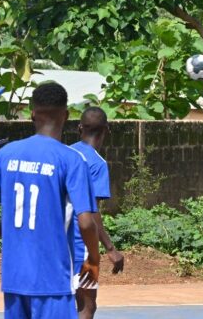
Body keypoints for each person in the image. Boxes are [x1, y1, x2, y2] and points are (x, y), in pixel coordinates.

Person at [0, 82, 101, 318]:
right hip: (52, 277)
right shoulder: (71, 160)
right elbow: (85, 222)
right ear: (66, 115)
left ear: (32, 113)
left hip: (14, 276)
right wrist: (94, 259)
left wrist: (10, 234)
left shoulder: (7, 153)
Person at [70, 107, 125, 319]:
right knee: (87, 305)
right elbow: (92, 213)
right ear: (106, 131)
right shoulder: (97, 164)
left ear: (78, 128)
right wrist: (110, 248)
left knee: (63, 302)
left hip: (56, 243)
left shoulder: (64, 154)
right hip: (82, 247)